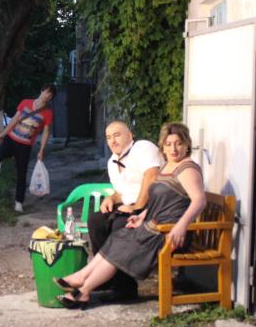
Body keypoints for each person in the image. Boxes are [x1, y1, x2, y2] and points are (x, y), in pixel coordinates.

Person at [53, 122, 206, 309]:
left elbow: (199, 200)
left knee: (122, 245)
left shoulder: (187, 169)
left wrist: (181, 226)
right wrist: (141, 217)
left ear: (187, 145)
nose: (173, 149)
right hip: (155, 226)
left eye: (178, 143)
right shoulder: (168, 166)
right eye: (168, 144)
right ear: (163, 147)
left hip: (170, 233)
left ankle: (84, 288)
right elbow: (158, 201)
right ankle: (83, 279)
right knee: (118, 238)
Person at [87, 121, 162, 300]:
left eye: (117, 135)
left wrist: (136, 208)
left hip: (151, 209)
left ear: (130, 135)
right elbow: (122, 192)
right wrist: (112, 198)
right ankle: (104, 279)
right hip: (129, 206)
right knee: (95, 219)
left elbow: (152, 177)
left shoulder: (143, 148)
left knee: (120, 225)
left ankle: (125, 287)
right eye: (108, 137)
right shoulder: (112, 162)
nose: (112, 141)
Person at [0, 84, 56, 213]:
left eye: (50, 95)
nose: (47, 96)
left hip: (25, 146)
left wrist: (41, 150)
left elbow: (46, 133)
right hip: (10, 140)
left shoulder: (48, 113)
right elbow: (15, 119)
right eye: (46, 92)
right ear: (42, 90)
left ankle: (19, 202)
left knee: (21, 174)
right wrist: (3, 134)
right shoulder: (26, 102)